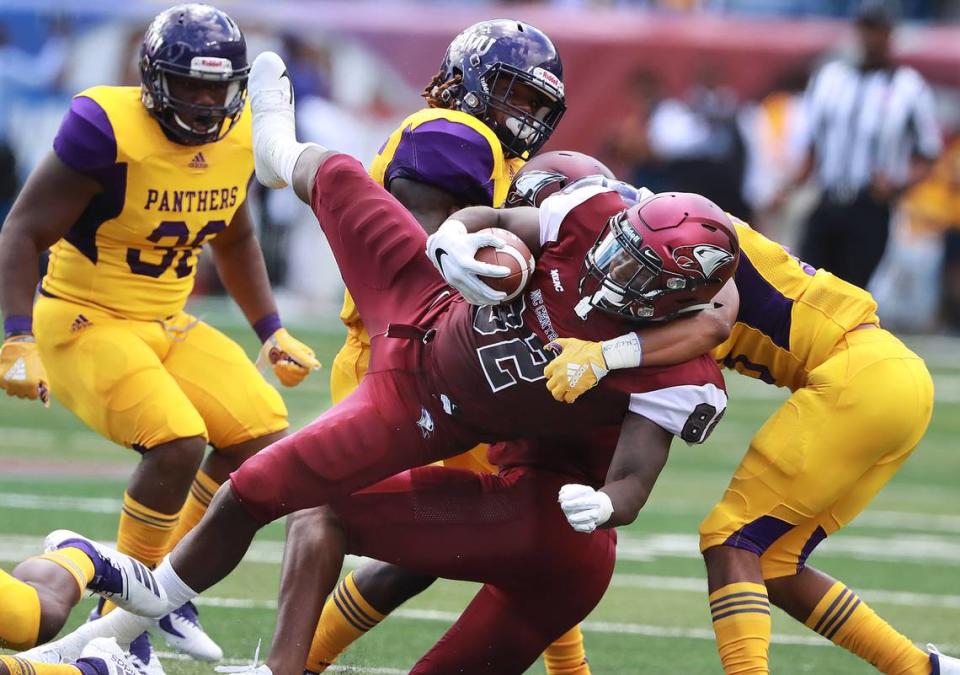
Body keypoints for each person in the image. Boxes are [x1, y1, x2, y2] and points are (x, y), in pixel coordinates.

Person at [24, 50, 738, 675]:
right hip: (417, 299)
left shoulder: (671, 361)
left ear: (678, 299)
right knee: (332, 175)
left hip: (434, 418)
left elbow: (670, 407)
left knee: (282, 491)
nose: (612, 266)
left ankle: (159, 621)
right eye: (620, 245)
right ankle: (275, 143)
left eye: (642, 272)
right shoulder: (583, 218)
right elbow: (499, 219)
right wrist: (463, 236)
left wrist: (612, 476)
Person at [0, 4, 319, 669]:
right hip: (85, 315)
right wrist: (16, 335)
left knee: (261, 437)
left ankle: (162, 584)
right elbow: (22, 229)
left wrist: (271, 329)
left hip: (168, 319)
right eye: (189, 86)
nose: (205, 103)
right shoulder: (105, 128)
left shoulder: (239, 139)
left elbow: (236, 234)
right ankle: (126, 619)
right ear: (153, 80)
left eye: (218, 89)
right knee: (177, 440)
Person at [540, 186, 959, 674]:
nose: (621, 273)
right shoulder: (679, 237)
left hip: (858, 377)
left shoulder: (700, 263)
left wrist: (607, 356)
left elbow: (710, 326)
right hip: (892, 378)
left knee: (730, 539)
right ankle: (924, 669)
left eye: (636, 263)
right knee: (775, 566)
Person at [311, 19, 589, 675]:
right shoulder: (450, 134)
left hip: (461, 363)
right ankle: (292, 657)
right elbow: (428, 263)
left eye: (534, 104)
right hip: (407, 361)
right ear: (464, 81)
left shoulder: (496, 152)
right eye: (510, 94)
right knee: (460, 535)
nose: (521, 116)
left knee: (533, 520)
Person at [777, 0, 941, 288]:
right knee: (810, 286)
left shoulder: (908, 87)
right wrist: (789, 186)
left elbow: (928, 153)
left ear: (890, 33)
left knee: (853, 291)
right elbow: (813, 143)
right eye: (866, 29)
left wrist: (898, 184)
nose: (871, 38)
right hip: (827, 198)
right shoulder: (830, 78)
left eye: (878, 30)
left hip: (870, 204)